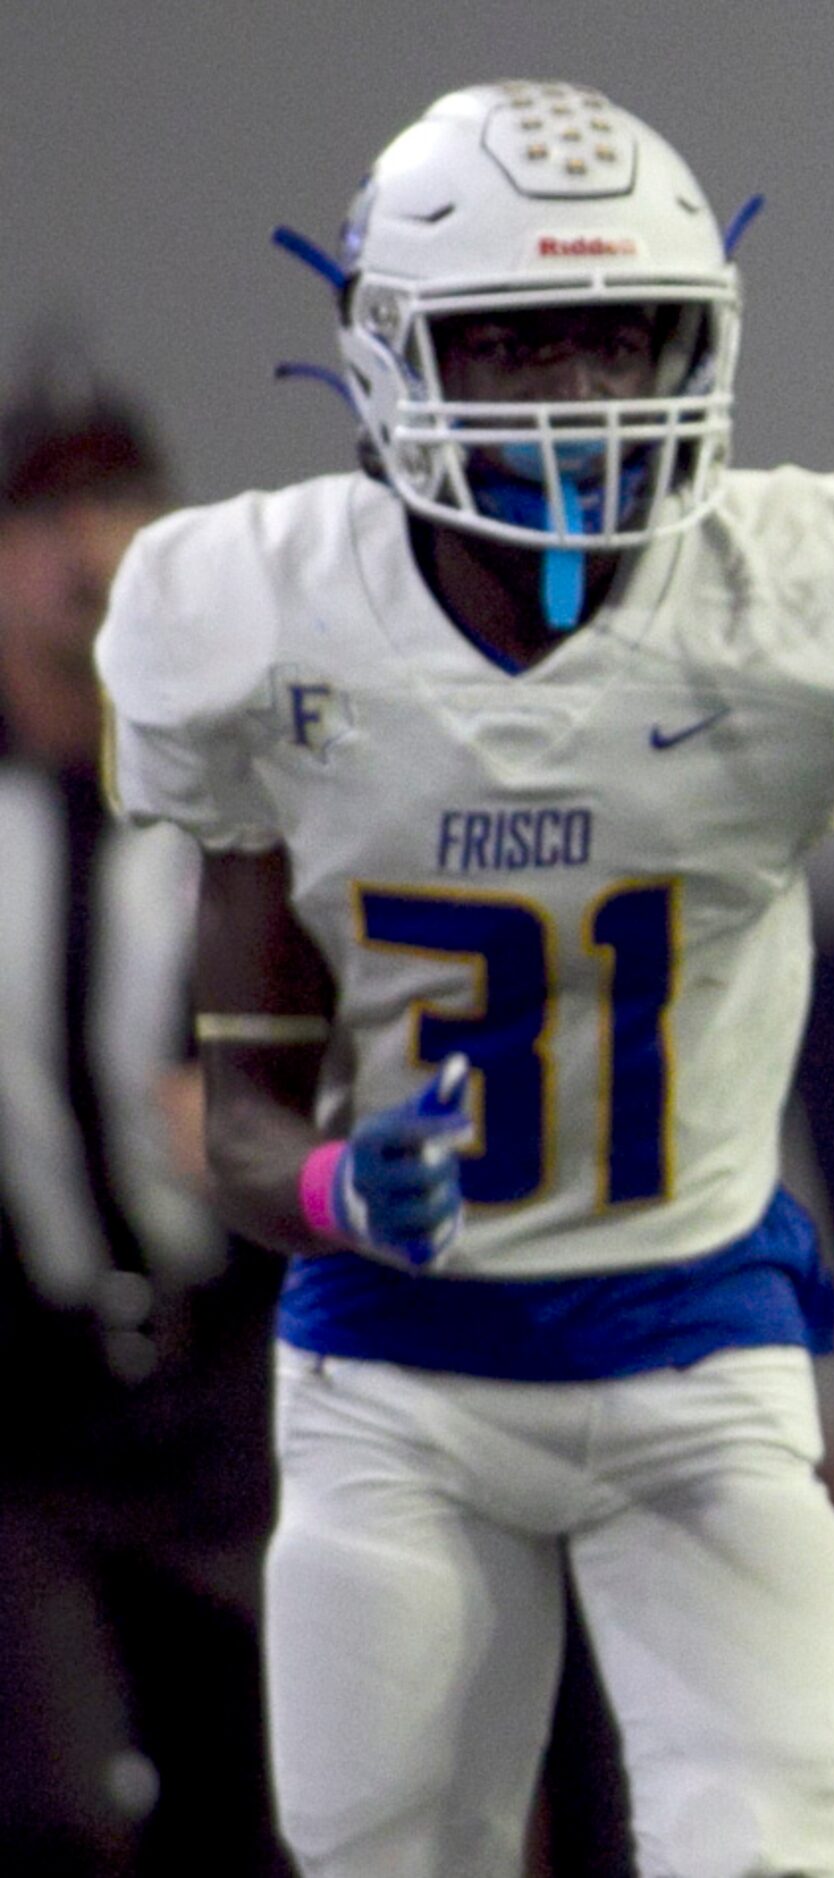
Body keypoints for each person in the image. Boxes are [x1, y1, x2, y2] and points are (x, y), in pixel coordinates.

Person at [96, 79, 834, 1878]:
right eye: (520, 342)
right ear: (394, 354)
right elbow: (240, 1111)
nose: (583, 395)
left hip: (695, 1350)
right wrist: (328, 1185)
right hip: (398, 1376)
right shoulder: (260, 619)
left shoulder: (789, 591)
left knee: (784, 1850)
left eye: (618, 333)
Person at [0, 370, 287, 1874]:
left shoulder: (252, 794)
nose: (85, 554)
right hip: (25, 1419)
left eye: (116, 505)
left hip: (230, 1397)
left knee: (266, 1814)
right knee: (63, 1816)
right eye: (42, 512)